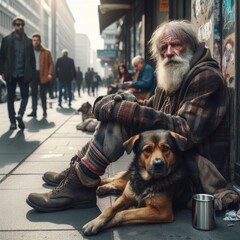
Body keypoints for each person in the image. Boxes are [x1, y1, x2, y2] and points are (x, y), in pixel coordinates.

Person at [26, 20, 239, 213]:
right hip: (168, 160)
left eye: (176, 45)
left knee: (126, 118)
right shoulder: (175, 74)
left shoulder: (206, 76)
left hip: (195, 171)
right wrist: (118, 102)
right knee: (122, 115)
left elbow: (186, 131)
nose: (169, 52)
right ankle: (80, 174)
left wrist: (129, 111)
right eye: (163, 47)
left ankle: (81, 182)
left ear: (191, 46)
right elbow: (149, 106)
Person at [0, 16, 35, 130]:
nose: (20, 26)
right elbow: (2, 57)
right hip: (10, 73)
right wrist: (1, 72)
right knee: (10, 98)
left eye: (22, 25)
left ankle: (20, 114)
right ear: (14, 26)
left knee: (25, 95)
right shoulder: (6, 40)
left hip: (24, 73)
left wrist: (32, 73)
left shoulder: (29, 42)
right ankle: (12, 122)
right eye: (18, 24)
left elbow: (32, 59)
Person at [27, 33, 54, 118]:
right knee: (33, 93)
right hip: (33, 74)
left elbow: (51, 64)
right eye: (34, 40)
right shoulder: (29, 51)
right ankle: (34, 111)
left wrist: (50, 73)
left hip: (43, 74)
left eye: (37, 40)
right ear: (32, 41)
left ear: (40, 41)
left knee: (43, 94)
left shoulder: (47, 52)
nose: (35, 42)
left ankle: (44, 111)